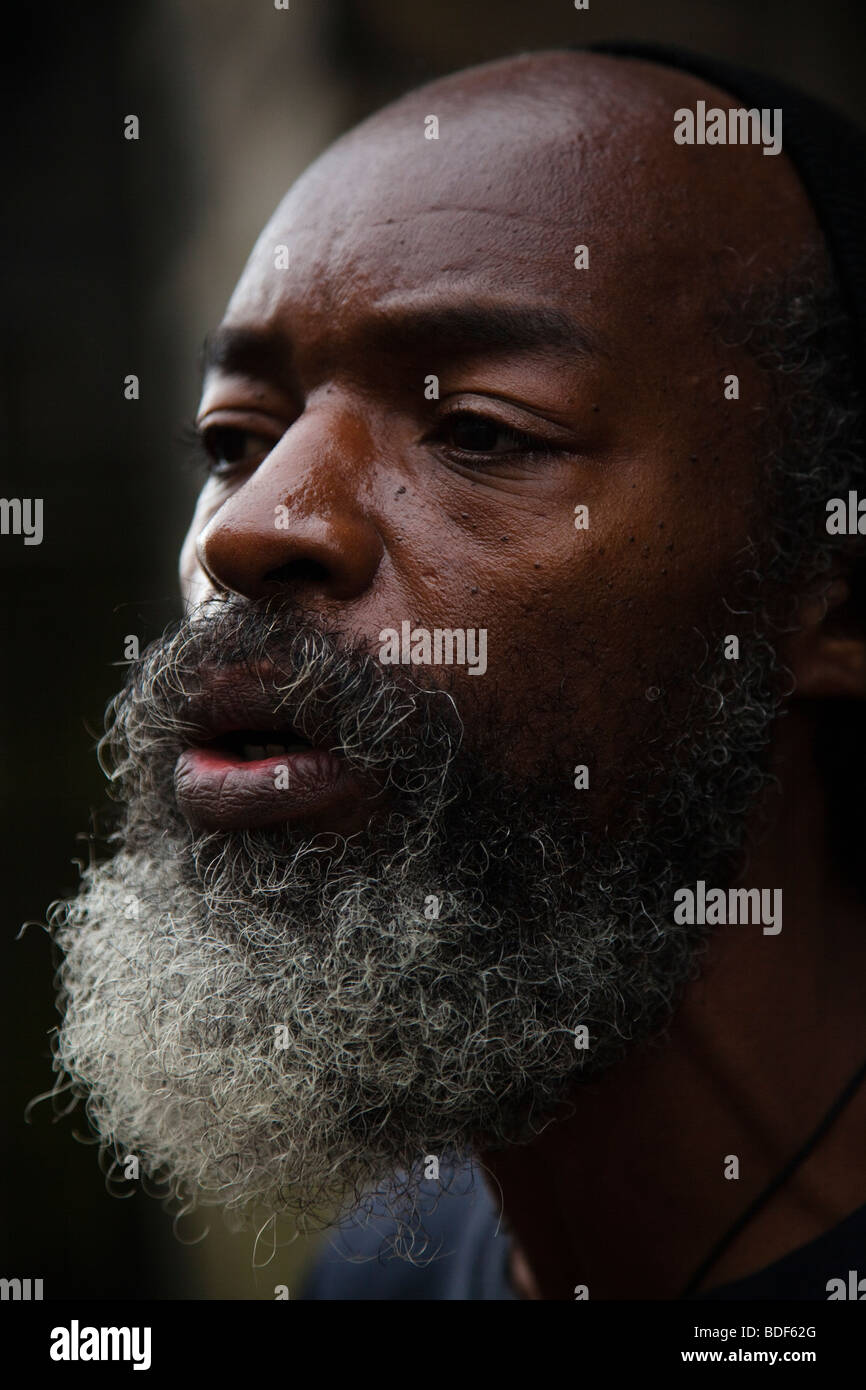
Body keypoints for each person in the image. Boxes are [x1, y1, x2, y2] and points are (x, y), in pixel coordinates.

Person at [47, 43, 866, 1300]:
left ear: (831, 585)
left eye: (477, 430)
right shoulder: (381, 1274)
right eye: (234, 439)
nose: (247, 527)